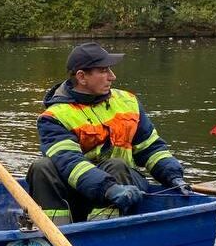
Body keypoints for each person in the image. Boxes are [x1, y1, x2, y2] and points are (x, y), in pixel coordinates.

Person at [26, 41, 190, 225]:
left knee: (116, 165)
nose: (112, 76)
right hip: (83, 192)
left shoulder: (128, 101)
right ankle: (56, 234)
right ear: (81, 77)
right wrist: (108, 188)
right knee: (41, 167)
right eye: (104, 71)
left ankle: (104, 233)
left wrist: (173, 175)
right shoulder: (53, 117)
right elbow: (70, 163)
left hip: (126, 186)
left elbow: (150, 147)